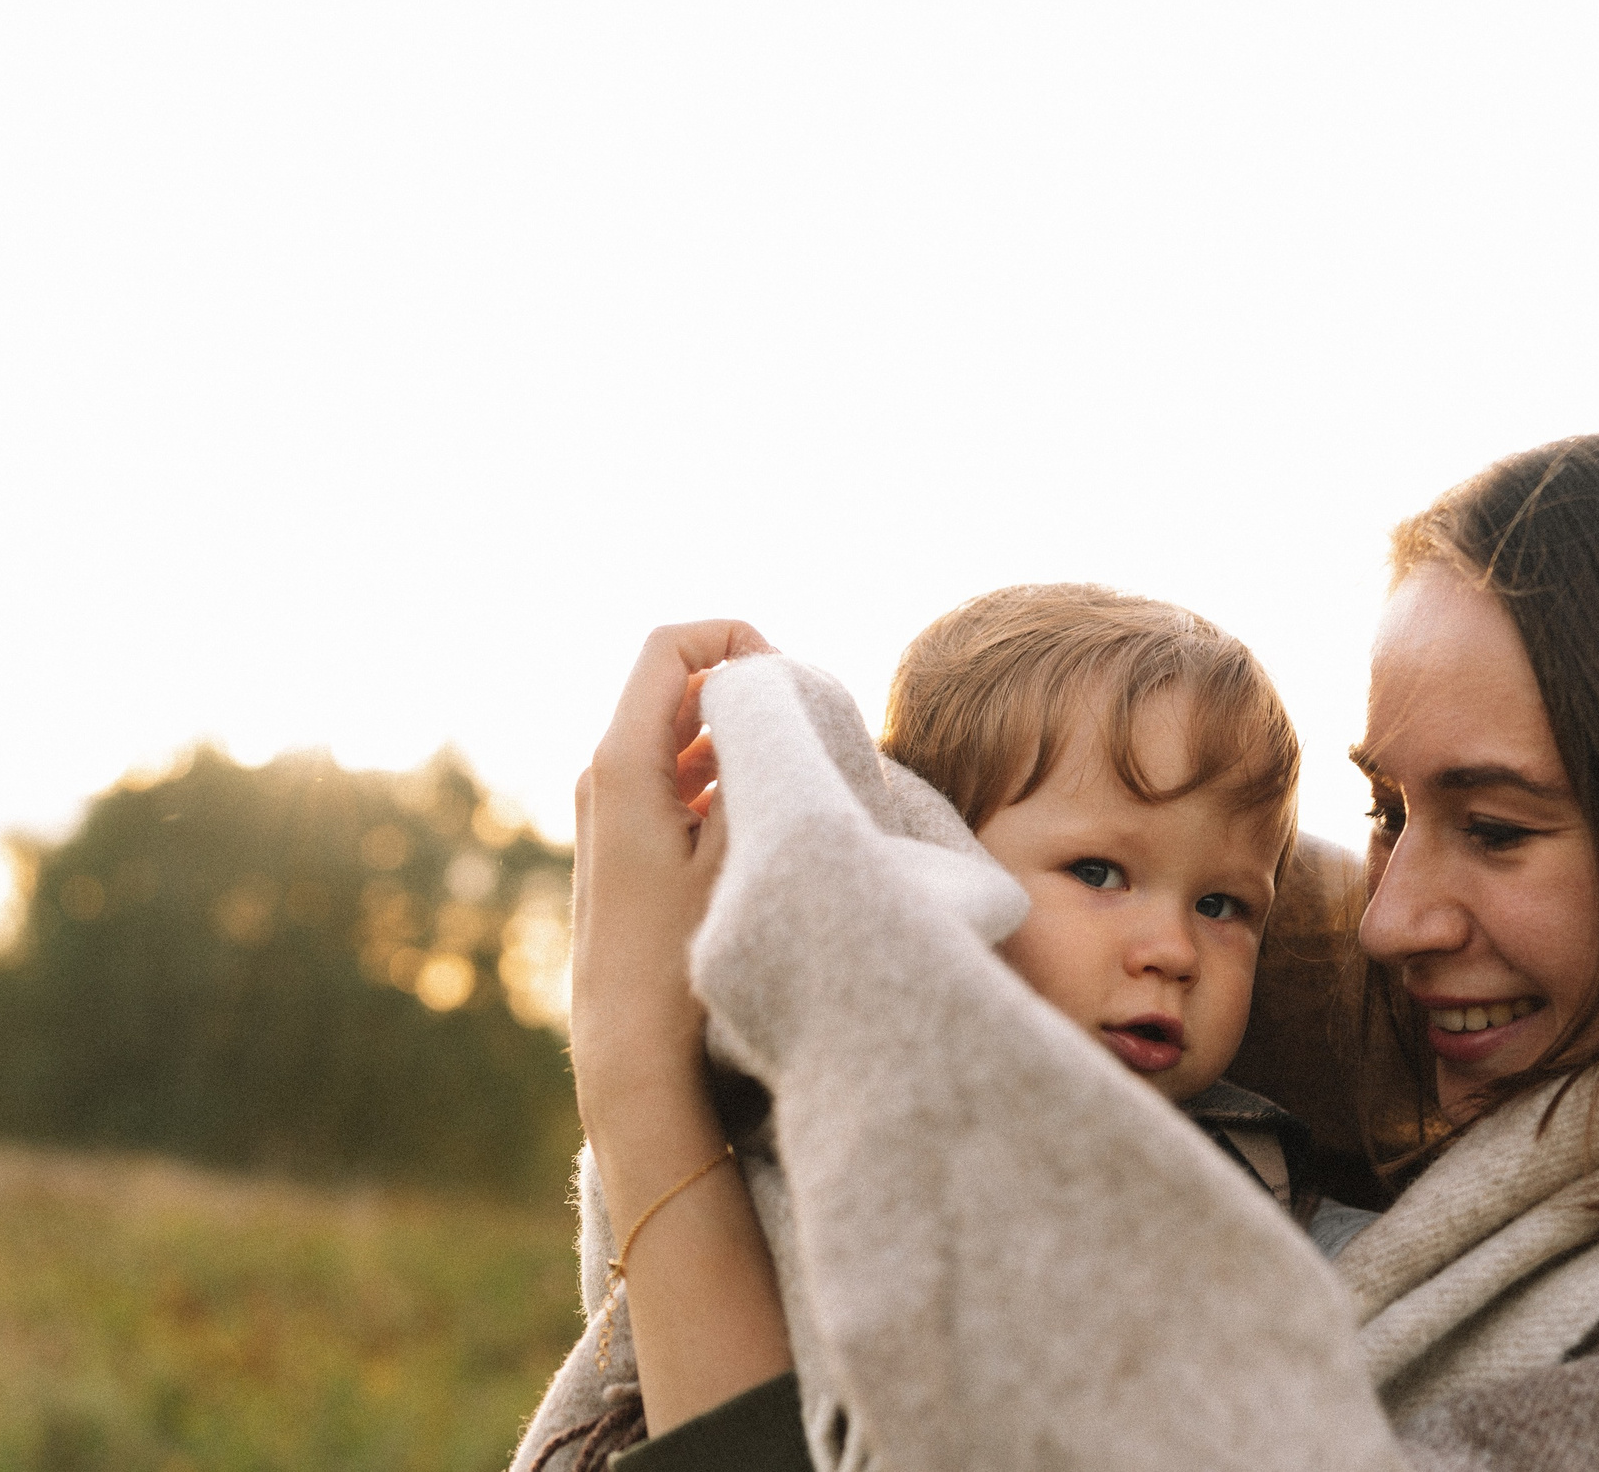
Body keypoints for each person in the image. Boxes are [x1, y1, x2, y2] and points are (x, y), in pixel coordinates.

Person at [558, 413, 1599, 1472]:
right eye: (1385, 813)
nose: (1389, 916)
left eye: (1496, 826)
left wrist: (643, 1062)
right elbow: (1080, 849)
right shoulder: (1406, 1104)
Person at [514, 584, 1363, 1472]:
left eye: (1222, 903)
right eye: (1101, 871)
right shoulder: (846, 1138)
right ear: (938, 861)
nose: (1174, 948)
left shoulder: (1274, 1200)